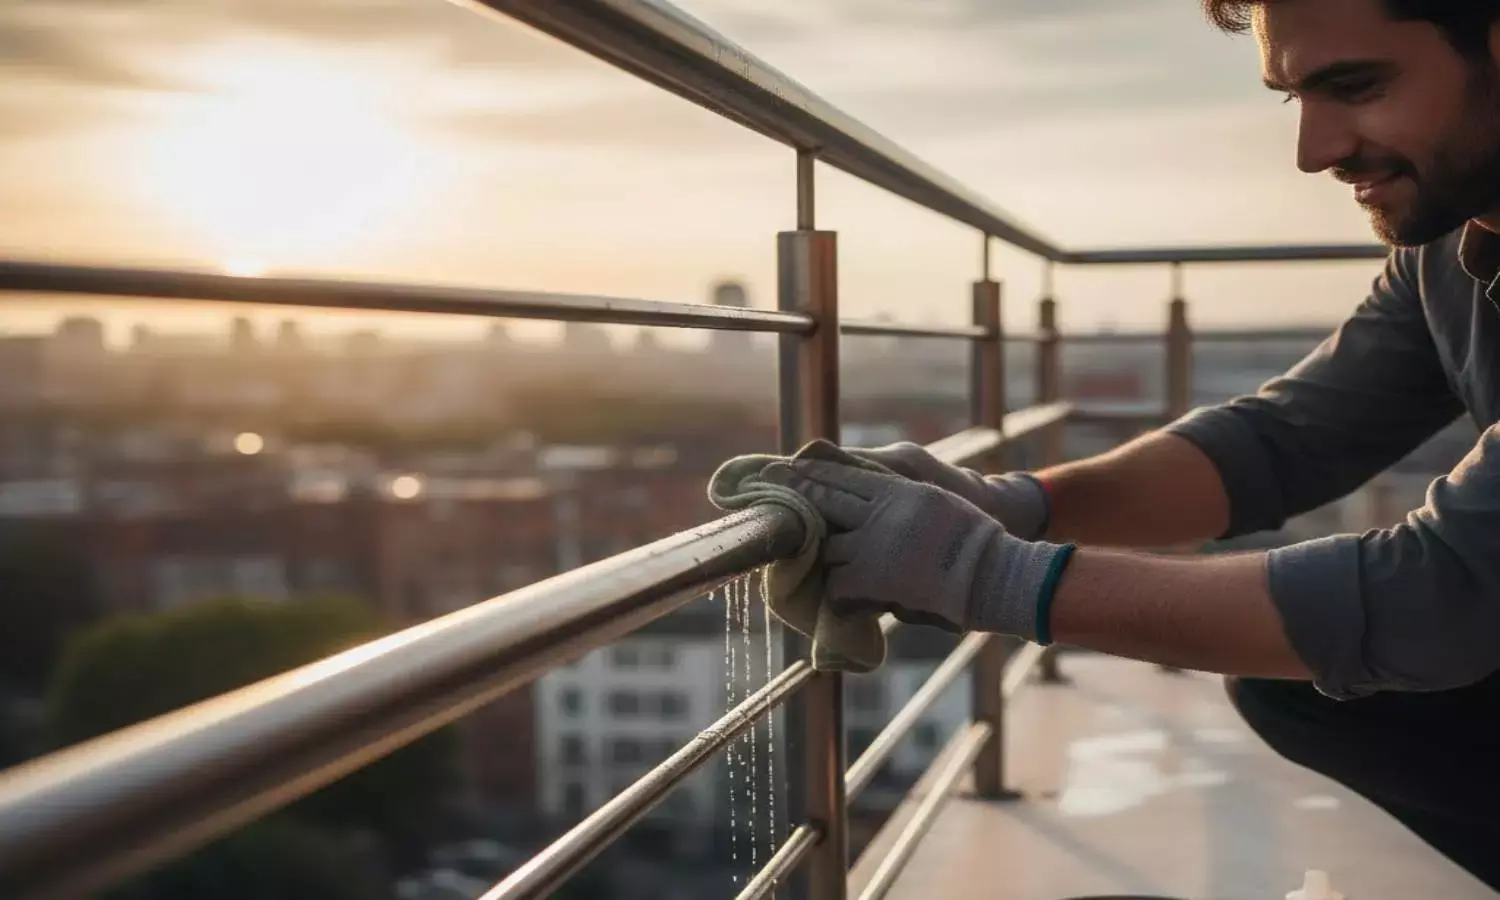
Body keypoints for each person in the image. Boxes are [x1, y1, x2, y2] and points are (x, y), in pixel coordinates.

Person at [757, 0, 1500, 889]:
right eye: (1295, 98)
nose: (1315, 150)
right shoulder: (1454, 240)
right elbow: (1283, 440)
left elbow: (1444, 594)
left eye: (1356, 86)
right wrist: (1016, 504)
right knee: (1297, 684)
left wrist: (982, 574)